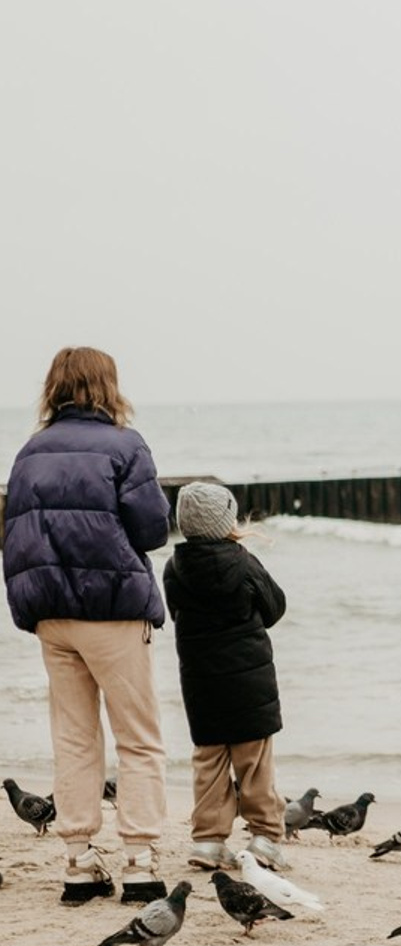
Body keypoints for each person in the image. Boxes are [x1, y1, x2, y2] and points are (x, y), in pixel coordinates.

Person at [2, 347, 171, 905]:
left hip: (51, 614)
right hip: (114, 609)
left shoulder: (29, 451)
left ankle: (77, 863)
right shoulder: (126, 445)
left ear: (53, 387)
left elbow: (16, 534)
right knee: (139, 740)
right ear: (108, 386)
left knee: (74, 739)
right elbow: (152, 530)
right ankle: (140, 862)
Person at [162, 481, 289, 872]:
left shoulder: (174, 568)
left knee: (209, 762)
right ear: (226, 522)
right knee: (254, 763)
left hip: (202, 682)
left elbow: (175, 614)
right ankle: (265, 837)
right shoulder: (244, 562)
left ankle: (208, 842)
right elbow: (274, 608)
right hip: (250, 683)